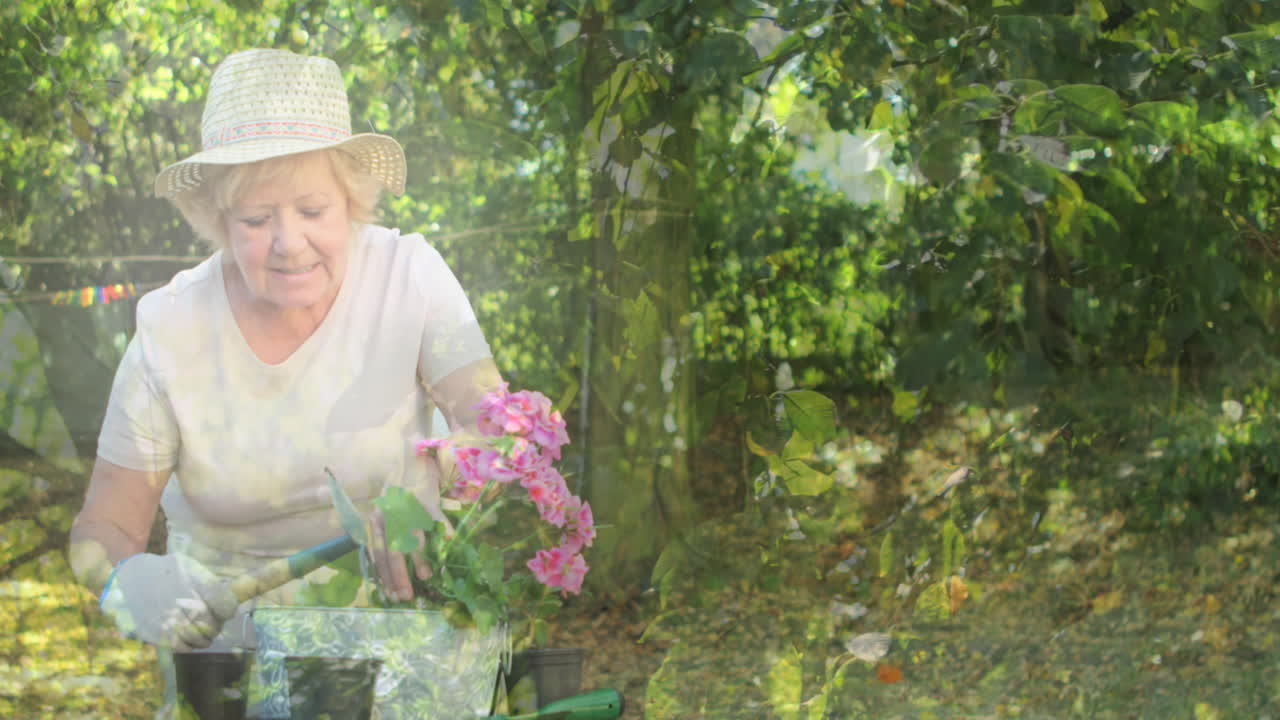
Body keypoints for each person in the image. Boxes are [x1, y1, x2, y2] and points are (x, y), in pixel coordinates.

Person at [67, 47, 502, 704]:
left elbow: (500, 433)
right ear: (219, 220)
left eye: (312, 210)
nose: (288, 242)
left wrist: (431, 494)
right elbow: (101, 530)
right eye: (256, 219)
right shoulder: (172, 327)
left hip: (402, 654)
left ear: (351, 200)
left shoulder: (409, 277)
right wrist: (126, 583)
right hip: (228, 669)